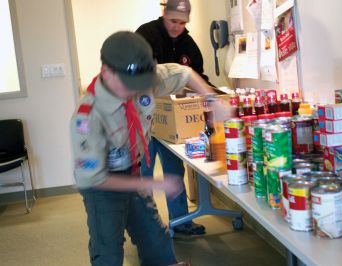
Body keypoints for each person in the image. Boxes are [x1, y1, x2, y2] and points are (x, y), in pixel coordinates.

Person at [70, 31, 228, 266]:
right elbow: (95, 179)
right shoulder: (87, 118)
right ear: (107, 72)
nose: (136, 92)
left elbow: (184, 73)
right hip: (101, 187)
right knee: (108, 251)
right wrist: (151, 183)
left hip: (133, 170)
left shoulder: (143, 76)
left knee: (156, 241)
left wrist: (214, 99)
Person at [136, 0, 213, 235]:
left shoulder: (189, 44)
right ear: (164, 14)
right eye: (173, 21)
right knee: (144, 174)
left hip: (171, 122)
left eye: (182, 22)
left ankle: (181, 222)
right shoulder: (145, 34)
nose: (177, 27)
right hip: (143, 118)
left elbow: (198, 77)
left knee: (173, 170)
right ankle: (146, 227)